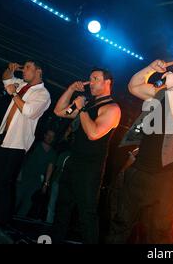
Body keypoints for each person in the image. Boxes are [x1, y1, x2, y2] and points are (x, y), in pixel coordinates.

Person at [107, 50, 173, 244]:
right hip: (140, 169)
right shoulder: (162, 92)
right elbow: (134, 87)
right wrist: (150, 69)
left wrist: (171, 88)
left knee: (157, 234)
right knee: (119, 225)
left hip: (166, 177)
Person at [52, 67, 121, 244]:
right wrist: (70, 90)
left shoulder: (112, 108)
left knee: (86, 214)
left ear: (107, 83)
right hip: (73, 162)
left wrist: (82, 110)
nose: (90, 82)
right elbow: (60, 111)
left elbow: (94, 133)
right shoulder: (89, 105)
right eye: (90, 78)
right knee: (62, 209)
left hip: (90, 168)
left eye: (95, 78)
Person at [0, 60, 51, 225]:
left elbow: (29, 112)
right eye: (23, 67)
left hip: (16, 143)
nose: (23, 70)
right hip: (3, 136)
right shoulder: (20, 83)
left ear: (38, 71)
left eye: (27, 68)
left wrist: (13, 94)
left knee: (4, 183)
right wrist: (9, 70)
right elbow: (5, 79)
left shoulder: (43, 94)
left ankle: (2, 222)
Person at [15, 129, 56, 218]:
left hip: (36, 182)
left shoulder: (52, 152)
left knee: (27, 204)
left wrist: (45, 183)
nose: (50, 138)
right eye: (48, 135)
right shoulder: (34, 145)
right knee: (16, 199)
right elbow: (23, 158)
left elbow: (50, 167)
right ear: (45, 135)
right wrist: (19, 172)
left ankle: (17, 222)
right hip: (24, 177)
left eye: (52, 137)